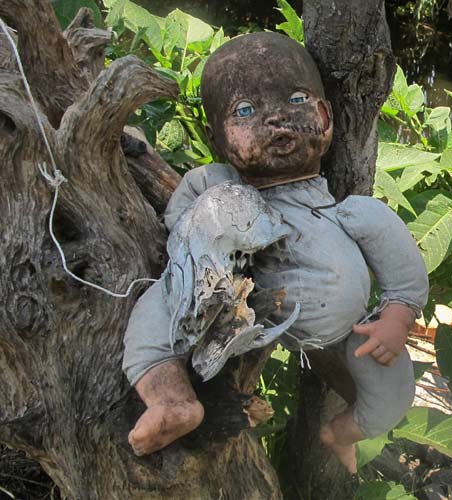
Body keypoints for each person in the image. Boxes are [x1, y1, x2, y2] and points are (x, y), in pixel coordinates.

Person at [122, 32, 428, 474]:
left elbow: (400, 265)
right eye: (245, 112)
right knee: (156, 310)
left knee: (394, 398)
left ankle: (341, 432)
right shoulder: (218, 182)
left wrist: (397, 316)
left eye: (297, 100)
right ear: (217, 137)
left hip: (352, 334)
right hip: (234, 306)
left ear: (324, 115)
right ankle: (171, 401)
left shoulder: (351, 213)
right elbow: (180, 224)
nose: (277, 120)